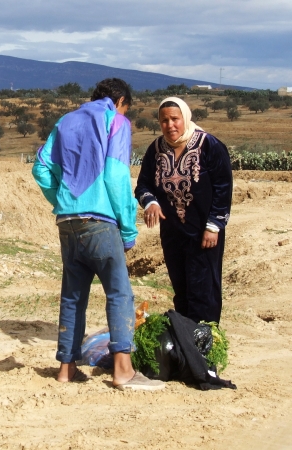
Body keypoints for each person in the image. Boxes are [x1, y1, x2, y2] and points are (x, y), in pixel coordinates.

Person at [32, 78, 164, 391]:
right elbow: (116, 176)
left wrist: (64, 200)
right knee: (119, 292)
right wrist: (129, 229)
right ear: (120, 102)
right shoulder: (116, 121)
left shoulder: (65, 121)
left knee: (73, 295)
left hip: (67, 222)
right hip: (101, 223)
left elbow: (40, 168)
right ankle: (123, 370)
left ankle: (66, 369)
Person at [135, 97, 232, 325]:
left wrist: (213, 226)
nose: (170, 125)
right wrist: (150, 202)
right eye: (164, 120)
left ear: (185, 118)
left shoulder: (209, 145)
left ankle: (206, 346)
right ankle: (186, 342)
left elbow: (223, 188)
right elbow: (143, 184)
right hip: (173, 234)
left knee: (204, 290)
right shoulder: (156, 150)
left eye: (175, 119)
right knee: (182, 289)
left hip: (203, 234)